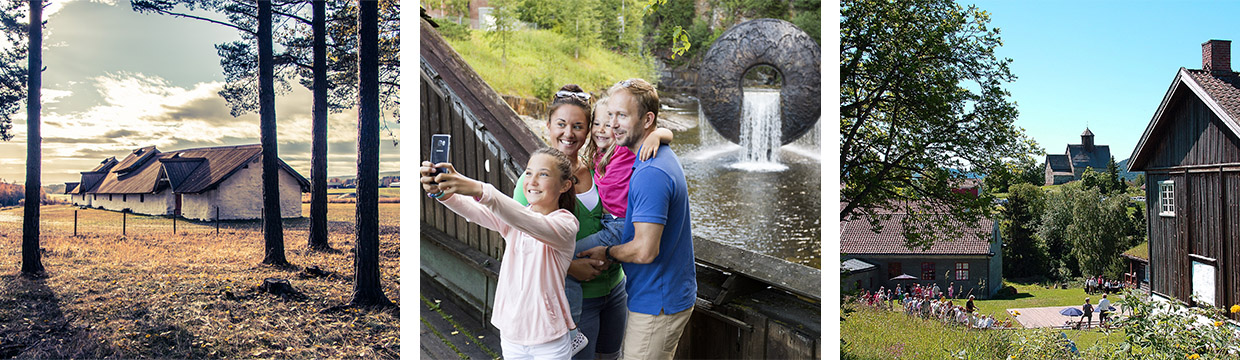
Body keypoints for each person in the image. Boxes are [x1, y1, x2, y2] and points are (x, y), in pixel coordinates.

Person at [510, 85, 670, 360]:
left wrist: (657, 134)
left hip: (615, 290)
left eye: (578, 126)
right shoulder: (533, 182)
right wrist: (571, 266)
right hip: (573, 299)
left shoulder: (598, 166)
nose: (569, 134)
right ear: (548, 125)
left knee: (611, 356)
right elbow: (519, 249)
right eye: (561, 124)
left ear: (589, 131)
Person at [422, 147, 582, 359]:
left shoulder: (565, 224)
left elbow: (529, 222)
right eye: (528, 173)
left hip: (549, 339)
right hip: (511, 334)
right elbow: (475, 210)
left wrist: (481, 190)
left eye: (543, 174)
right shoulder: (517, 216)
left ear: (565, 185)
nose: (532, 181)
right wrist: (443, 191)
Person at [579, 78, 696, 360]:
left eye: (622, 116)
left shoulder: (650, 172)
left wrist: (607, 252)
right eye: (611, 115)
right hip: (660, 294)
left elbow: (645, 250)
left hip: (658, 301)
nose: (612, 124)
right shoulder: (652, 157)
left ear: (647, 120)